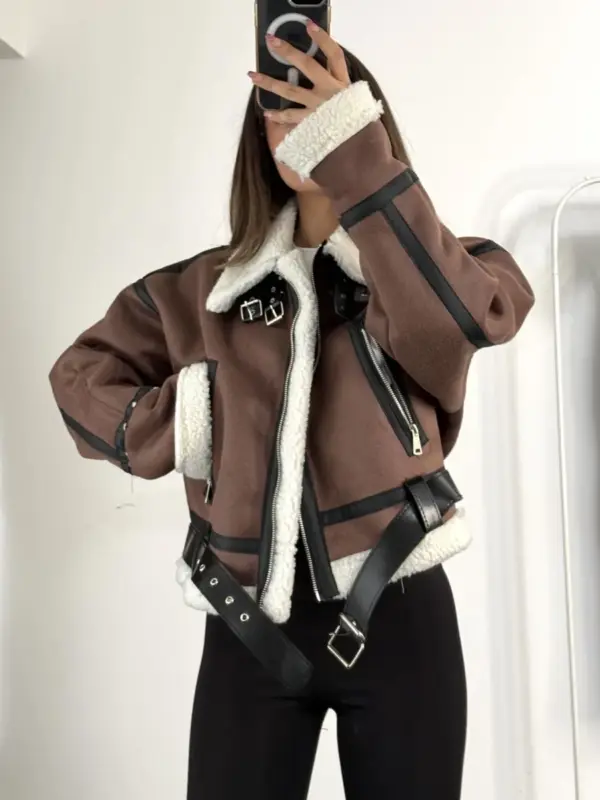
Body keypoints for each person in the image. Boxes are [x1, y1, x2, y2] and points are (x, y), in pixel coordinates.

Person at [49, 22, 534, 800]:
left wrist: (352, 154)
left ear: (361, 121)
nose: (300, 128)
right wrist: (191, 418)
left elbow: (468, 322)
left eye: (321, 109)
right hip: (248, 629)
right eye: (281, 111)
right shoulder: (199, 293)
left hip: (400, 614)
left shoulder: (451, 271)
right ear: (258, 136)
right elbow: (79, 379)